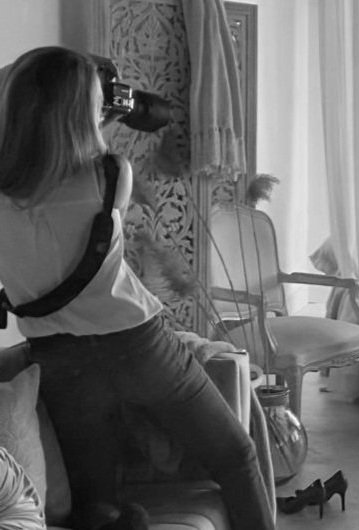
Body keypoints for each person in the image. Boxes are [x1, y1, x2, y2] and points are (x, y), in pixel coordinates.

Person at [0, 46, 275, 530]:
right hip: (137, 346)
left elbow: (38, 164)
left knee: (99, 498)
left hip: (59, 358)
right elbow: (82, 159)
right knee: (235, 457)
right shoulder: (111, 174)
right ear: (84, 110)